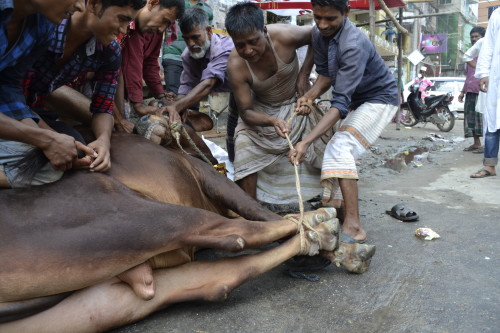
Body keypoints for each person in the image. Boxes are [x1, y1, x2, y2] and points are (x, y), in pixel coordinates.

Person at [288, 0, 399, 243]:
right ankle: (338, 214)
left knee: (340, 147)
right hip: (355, 99)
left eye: (330, 19)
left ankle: (354, 225)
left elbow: (339, 104)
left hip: (380, 99)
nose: (322, 24)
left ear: (346, 13)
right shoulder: (319, 33)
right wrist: (308, 96)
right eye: (317, 17)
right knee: (332, 146)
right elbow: (326, 75)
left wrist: (305, 142)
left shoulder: (353, 44)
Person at [225, 2, 330, 205]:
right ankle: (252, 210)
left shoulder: (284, 35)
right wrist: (272, 120)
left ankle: (327, 198)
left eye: (253, 41)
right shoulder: (235, 64)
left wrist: (304, 72)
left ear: (264, 30)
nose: (248, 50)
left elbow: (317, 34)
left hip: (297, 104)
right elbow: (246, 112)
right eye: (240, 45)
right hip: (262, 113)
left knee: (327, 135)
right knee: (243, 143)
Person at [23, 0, 144, 176]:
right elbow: (11, 97)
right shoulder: (43, 27)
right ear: (94, 4)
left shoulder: (109, 51)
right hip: (9, 109)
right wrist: (51, 138)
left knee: (75, 151)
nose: (124, 30)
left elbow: (103, 108)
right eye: (122, 19)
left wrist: (103, 141)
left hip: (33, 110)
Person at [0, 0, 92, 189]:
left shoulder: (43, 26)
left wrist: (51, 140)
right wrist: (45, 139)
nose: (80, 7)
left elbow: (7, 87)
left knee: (49, 167)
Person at [163, 7, 234, 128]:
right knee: (234, 135)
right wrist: (181, 105)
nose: (191, 44)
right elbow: (186, 86)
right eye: (186, 39)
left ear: (208, 31)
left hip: (254, 90)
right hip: (234, 90)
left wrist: (177, 106)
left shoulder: (224, 48)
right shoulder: (187, 55)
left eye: (195, 37)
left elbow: (209, 83)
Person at [119, 0, 185, 126]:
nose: (162, 29)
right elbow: (132, 64)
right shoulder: (129, 26)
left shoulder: (155, 31)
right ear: (152, 3)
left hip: (125, 95)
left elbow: (150, 64)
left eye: (167, 24)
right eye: (164, 20)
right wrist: (138, 104)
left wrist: (161, 96)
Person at [470, 8, 500, 179]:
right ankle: (489, 166)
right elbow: (488, 45)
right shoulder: (497, 15)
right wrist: (483, 73)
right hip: (497, 78)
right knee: (493, 123)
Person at [161, 0, 213, 97]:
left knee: (194, 96)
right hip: (173, 55)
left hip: (196, 58)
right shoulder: (176, 3)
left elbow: (208, 36)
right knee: (172, 94)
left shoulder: (207, 9)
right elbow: (162, 28)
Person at [460, 26, 486, 153]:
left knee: (483, 119)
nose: (474, 39)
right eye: (472, 37)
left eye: (477, 36)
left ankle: (487, 145)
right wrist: (462, 92)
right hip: (470, 91)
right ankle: (476, 143)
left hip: (482, 91)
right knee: (470, 119)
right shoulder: (470, 55)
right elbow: (468, 76)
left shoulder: (486, 55)